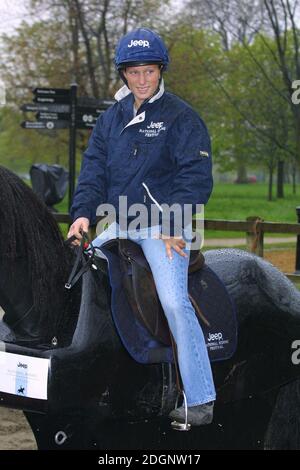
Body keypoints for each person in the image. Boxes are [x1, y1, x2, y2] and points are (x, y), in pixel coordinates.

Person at [68, 27, 216, 426]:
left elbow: (195, 178)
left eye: (149, 71)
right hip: (119, 224)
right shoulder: (111, 120)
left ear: (160, 70)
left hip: (164, 228)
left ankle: (200, 397)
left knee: (172, 300)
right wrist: (81, 214)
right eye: (133, 73)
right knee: (79, 274)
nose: (142, 80)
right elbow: (93, 172)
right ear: (124, 75)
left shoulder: (182, 118)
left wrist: (172, 224)